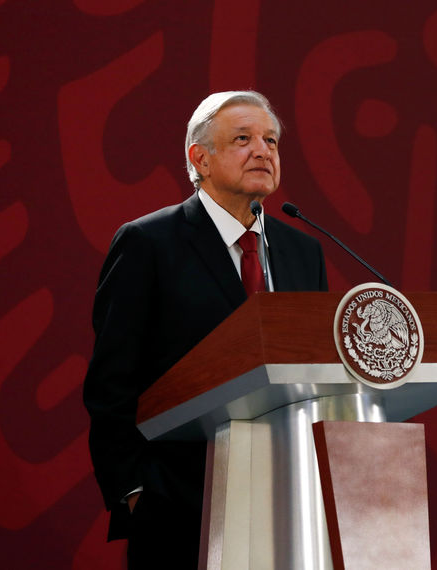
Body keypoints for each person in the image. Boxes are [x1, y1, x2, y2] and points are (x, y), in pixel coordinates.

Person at [83, 90, 327, 568]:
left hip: (291, 503)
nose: (263, 150)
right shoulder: (148, 243)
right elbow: (111, 384)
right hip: (180, 505)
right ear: (201, 158)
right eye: (243, 138)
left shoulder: (303, 252)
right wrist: (136, 491)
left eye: (271, 141)